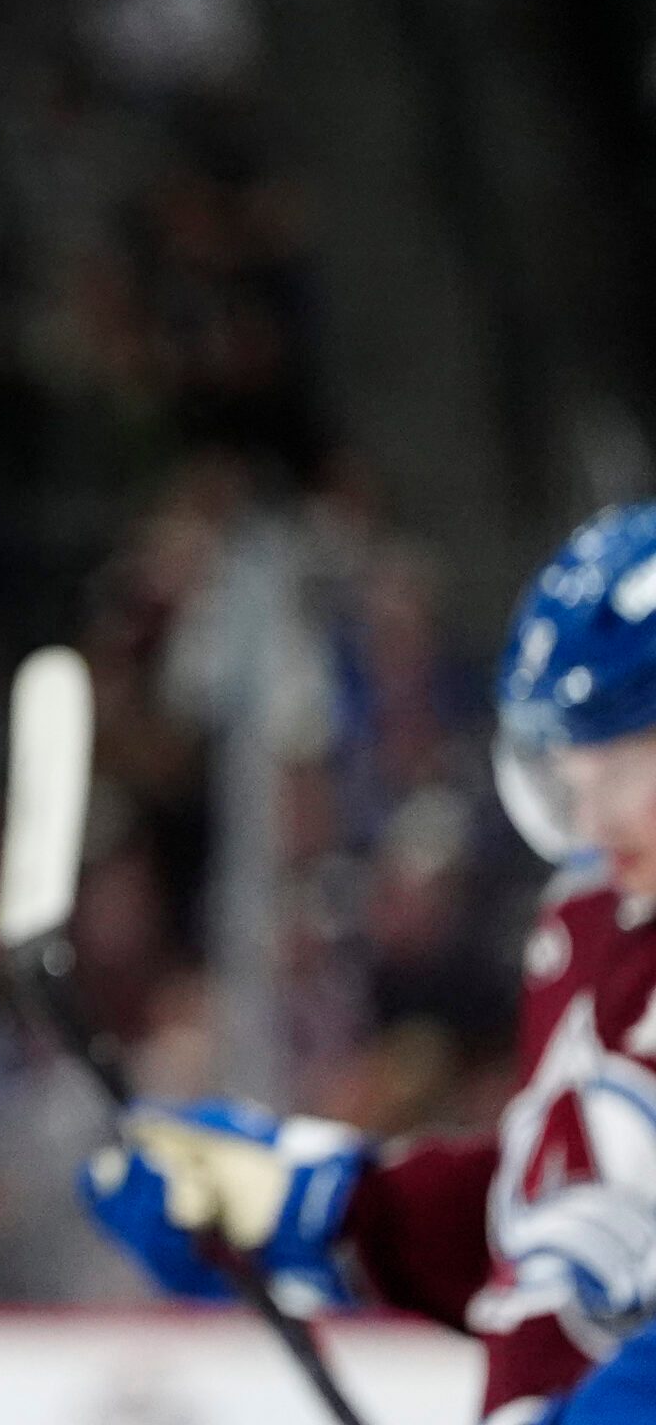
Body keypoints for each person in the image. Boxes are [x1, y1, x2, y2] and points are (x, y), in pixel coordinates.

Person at [79, 503, 656, 1424]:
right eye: (570, 780)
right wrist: (324, 1208)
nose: (590, 824)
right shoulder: (597, 917)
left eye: (625, 770)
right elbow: (581, 1240)